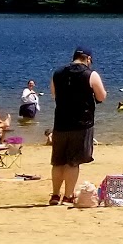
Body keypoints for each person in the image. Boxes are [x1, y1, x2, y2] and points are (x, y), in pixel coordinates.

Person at [47, 47, 106, 207]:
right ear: (87, 59)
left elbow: (54, 94)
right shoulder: (90, 74)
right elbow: (101, 96)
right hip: (81, 124)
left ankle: (54, 195)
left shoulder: (58, 73)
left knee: (58, 161)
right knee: (73, 162)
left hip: (60, 123)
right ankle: (68, 196)